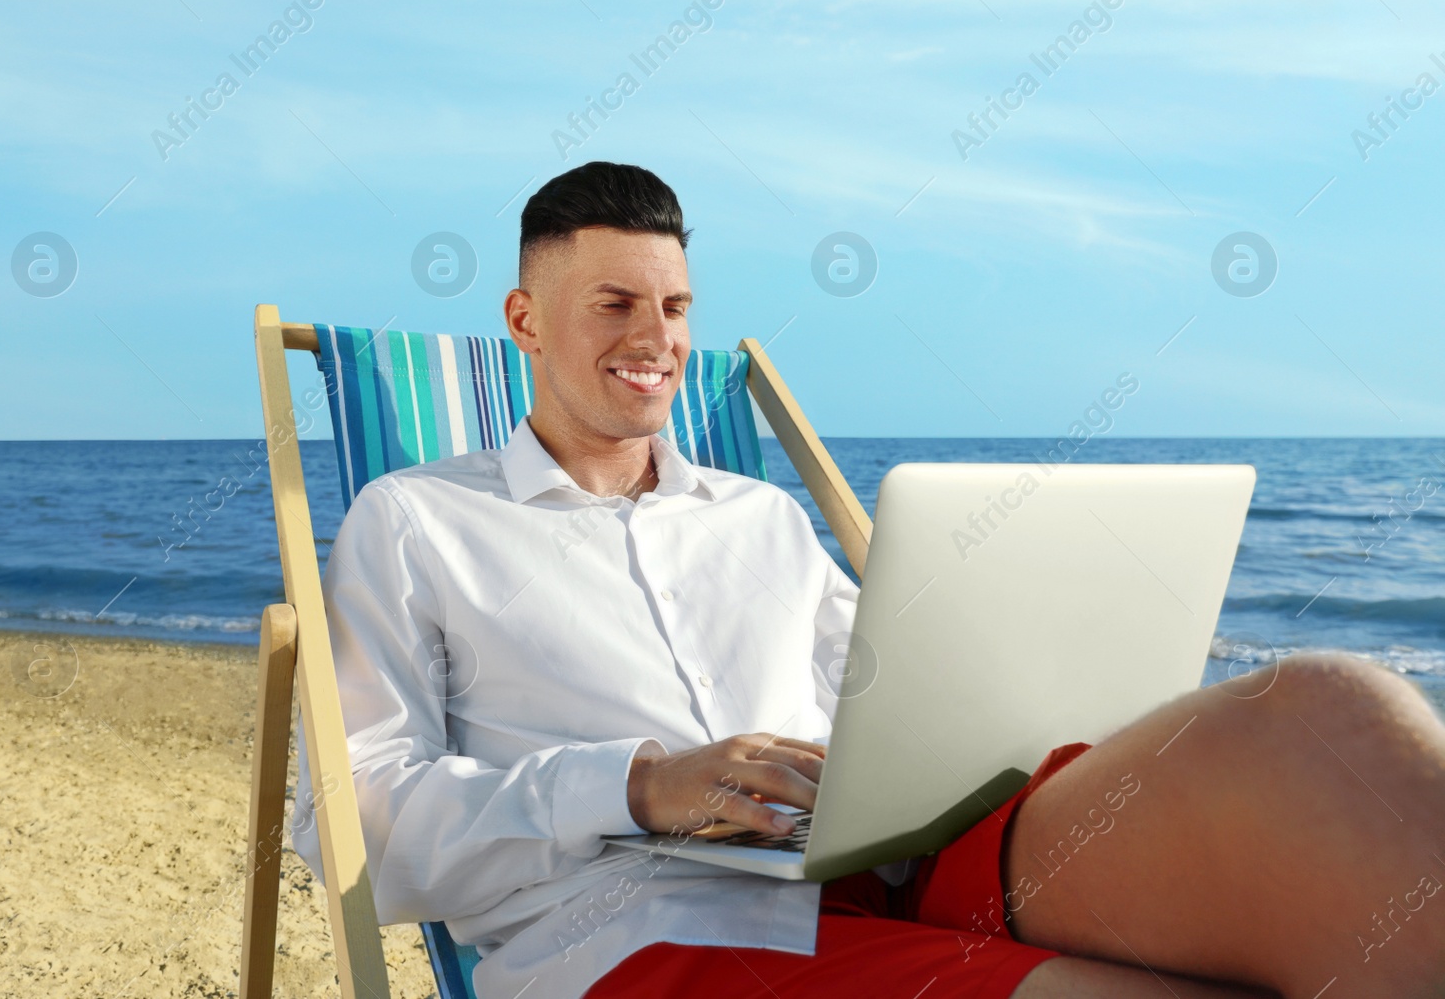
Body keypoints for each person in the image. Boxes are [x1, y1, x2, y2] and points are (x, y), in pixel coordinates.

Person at [291, 161, 1445, 998]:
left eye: (677, 306)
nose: (656, 335)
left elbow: (905, 698)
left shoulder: (759, 517)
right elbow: (352, 819)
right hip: (648, 927)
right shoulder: (420, 523)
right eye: (614, 303)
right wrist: (635, 785)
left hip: (883, 859)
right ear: (523, 320)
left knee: (1328, 717)